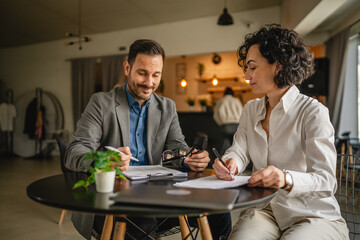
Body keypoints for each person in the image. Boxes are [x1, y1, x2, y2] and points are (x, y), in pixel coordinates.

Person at [65, 39, 231, 240]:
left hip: (157, 194)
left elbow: (178, 148)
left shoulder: (167, 107)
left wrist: (189, 159)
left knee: (219, 208)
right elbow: (74, 151)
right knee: (141, 223)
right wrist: (102, 160)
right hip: (112, 199)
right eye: (142, 73)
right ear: (127, 68)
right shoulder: (101, 103)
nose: (149, 82)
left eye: (156, 75)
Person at [213, 24, 349, 239]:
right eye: (246, 68)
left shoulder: (313, 112)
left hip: (312, 214)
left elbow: (327, 180)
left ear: (278, 65)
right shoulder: (251, 109)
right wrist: (231, 163)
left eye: (252, 67)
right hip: (264, 210)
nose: (247, 75)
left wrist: (285, 178)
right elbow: (239, 150)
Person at [213, 87, 243, 154]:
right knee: (236, 144)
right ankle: (236, 159)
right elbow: (242, 113)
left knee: (226, 143)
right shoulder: (236, 100)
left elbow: (215, 115)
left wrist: (221, 123)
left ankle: (224, 160)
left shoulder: (221, 101)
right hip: (237, 126)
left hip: (226, 126)